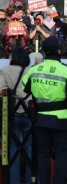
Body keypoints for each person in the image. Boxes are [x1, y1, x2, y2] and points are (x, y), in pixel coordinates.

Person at [21, 36, 67, 184]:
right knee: (62, 154)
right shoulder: (66, 71)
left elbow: (25, 88)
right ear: (59, 51)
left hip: (40, 118)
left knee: (43, 154)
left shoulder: (34, 70)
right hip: (61, 120)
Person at [0, 47, 31, 184]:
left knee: (13, 150)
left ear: (12, 58)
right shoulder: (31, 71)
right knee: (30, 150)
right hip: (29, 114)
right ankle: (31, 180)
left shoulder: (5, 71)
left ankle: (14, 181)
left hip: (12, 115)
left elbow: (1, 92)